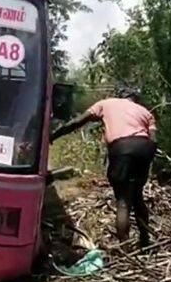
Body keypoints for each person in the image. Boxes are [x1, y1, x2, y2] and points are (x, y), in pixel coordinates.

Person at [51, 87, 157, 248]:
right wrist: (147, 158)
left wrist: (53, 135)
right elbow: (154, 140)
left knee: (123, 201)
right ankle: (145, 241)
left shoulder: (106, 103)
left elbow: (77, 122)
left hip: (122, 148)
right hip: (144, 149)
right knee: (137, 197)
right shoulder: (145, 112)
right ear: (135, 99)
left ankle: (125, 248)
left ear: (121, 96)